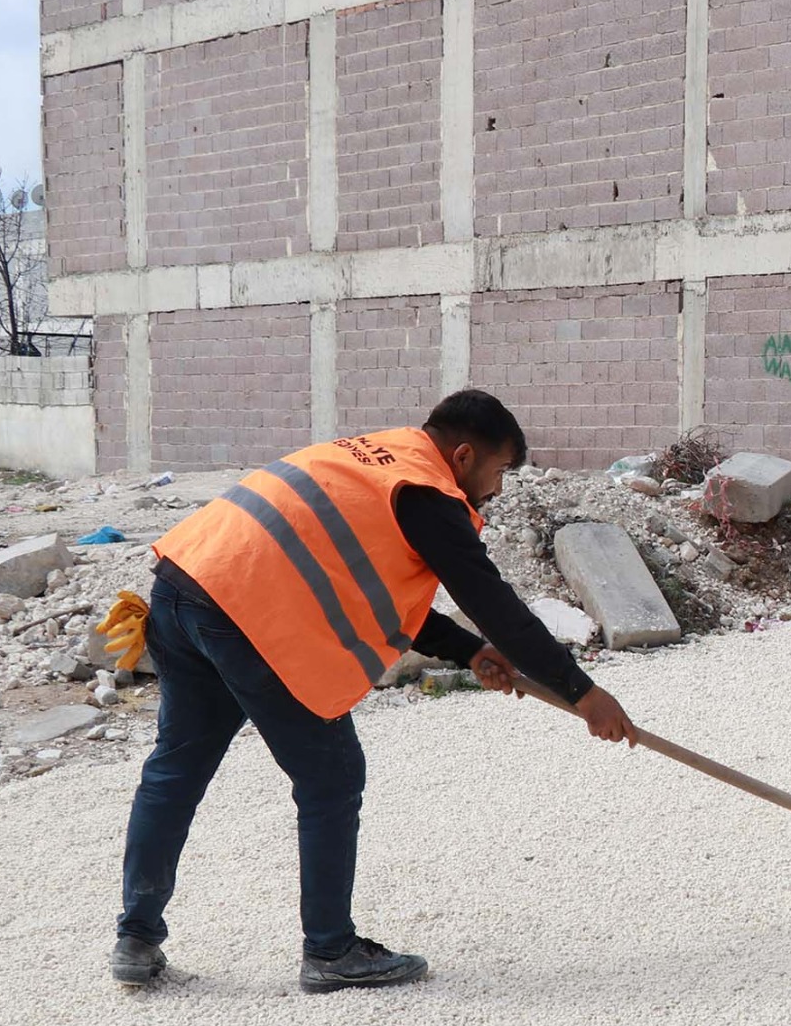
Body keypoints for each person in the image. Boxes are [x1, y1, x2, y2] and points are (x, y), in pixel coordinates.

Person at [110, 390, 636, 993]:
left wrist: (466, 650)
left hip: (184, 584)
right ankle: (330, 951)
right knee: (330, 776)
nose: (495, 490)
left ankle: (137, 938)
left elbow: (363, 584)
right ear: (463, 455)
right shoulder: (429, 493)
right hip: (243, 610)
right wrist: (581, 692)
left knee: (176, 770)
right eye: (498, 473)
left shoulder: (376, 458)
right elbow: (494, 603)